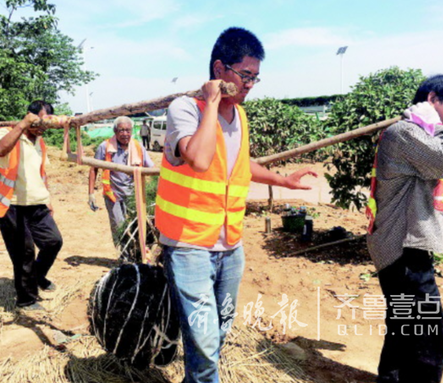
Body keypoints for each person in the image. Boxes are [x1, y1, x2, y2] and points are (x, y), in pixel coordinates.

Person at [154, 27, 317, 383]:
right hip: (189, 244)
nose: (250, 86)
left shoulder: (240, 117)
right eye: (244, 76)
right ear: (219, 70)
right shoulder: (185, 108)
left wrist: (283, 180)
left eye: (255, 78)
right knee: (204, 337)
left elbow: (240, 165)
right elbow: (197, 159)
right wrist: (212, 102)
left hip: (229, 243)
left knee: (220, 327)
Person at [366, 75, 443, 383]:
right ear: (433, 99)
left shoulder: (414, 133)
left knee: (405, 324)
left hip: (400, 245)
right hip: (404, 247)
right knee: (427, 329)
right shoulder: (406, 133)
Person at [0, 100, 64, 311]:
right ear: (29, 116)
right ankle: (26, 299)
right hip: (11, 204)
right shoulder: (6, 132)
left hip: (36, 203)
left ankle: (36, 276)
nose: (43, 128)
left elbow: (41, 173)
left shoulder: (40, 142)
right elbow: (0, 150)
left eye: (46, 124)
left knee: (53, 242)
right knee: (23, 252)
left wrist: (48, 199)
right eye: (39, 122)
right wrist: (23, 124)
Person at [88, 116, 154, 249]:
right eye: (121, 130)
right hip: (113, 194)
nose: (125, 134)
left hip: (134, 195)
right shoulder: (105, 147)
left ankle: (137, 255)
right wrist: (91, 194)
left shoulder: (138, 146)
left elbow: (150, 167)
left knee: (137, 226)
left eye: (128, 130)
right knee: (119, 227)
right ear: (115, 131)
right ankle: (123, 257)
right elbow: (93, 169)